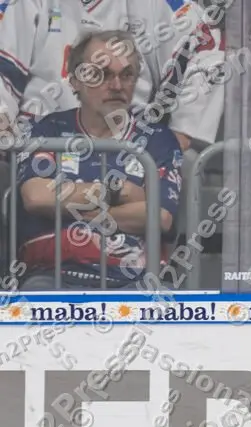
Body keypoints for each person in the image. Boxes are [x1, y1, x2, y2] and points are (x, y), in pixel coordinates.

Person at [16, 30, 183, 289]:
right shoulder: (47, 130)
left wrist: (71, 207)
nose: (116, 85)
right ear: (75, 81)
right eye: (101, 74)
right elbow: (37, 197)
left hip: (136, 282)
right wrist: (119, 192)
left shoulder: (158, 139)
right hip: (51, 277)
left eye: (126, 74)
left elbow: (159, 217)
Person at [0, 0, 226, 151]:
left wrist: (181, 133)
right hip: (42, 150)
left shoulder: (155, 4)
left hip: (127, 153)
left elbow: (205, 43)